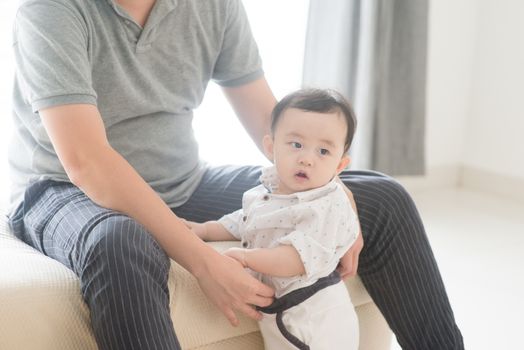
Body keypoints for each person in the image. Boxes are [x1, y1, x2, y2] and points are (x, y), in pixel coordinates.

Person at [7, 0, 464, 349]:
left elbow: (276, 127)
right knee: (121, 243)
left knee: (381, 199)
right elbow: (88, 162)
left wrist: (332, 192)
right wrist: (203, 262)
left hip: (182, 181)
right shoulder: (52, 10)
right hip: (66, 191)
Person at [185, 88, 360, 349]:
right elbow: (246, 221)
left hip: (314, 319)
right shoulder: (268, 191)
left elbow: (295, 259)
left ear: (339, 166)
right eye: (296, 145)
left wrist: (245, 257)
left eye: (323, 151)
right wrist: (205, 230)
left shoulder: (326, 207)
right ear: (271, 147)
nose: (306, 159)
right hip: (282, 314)